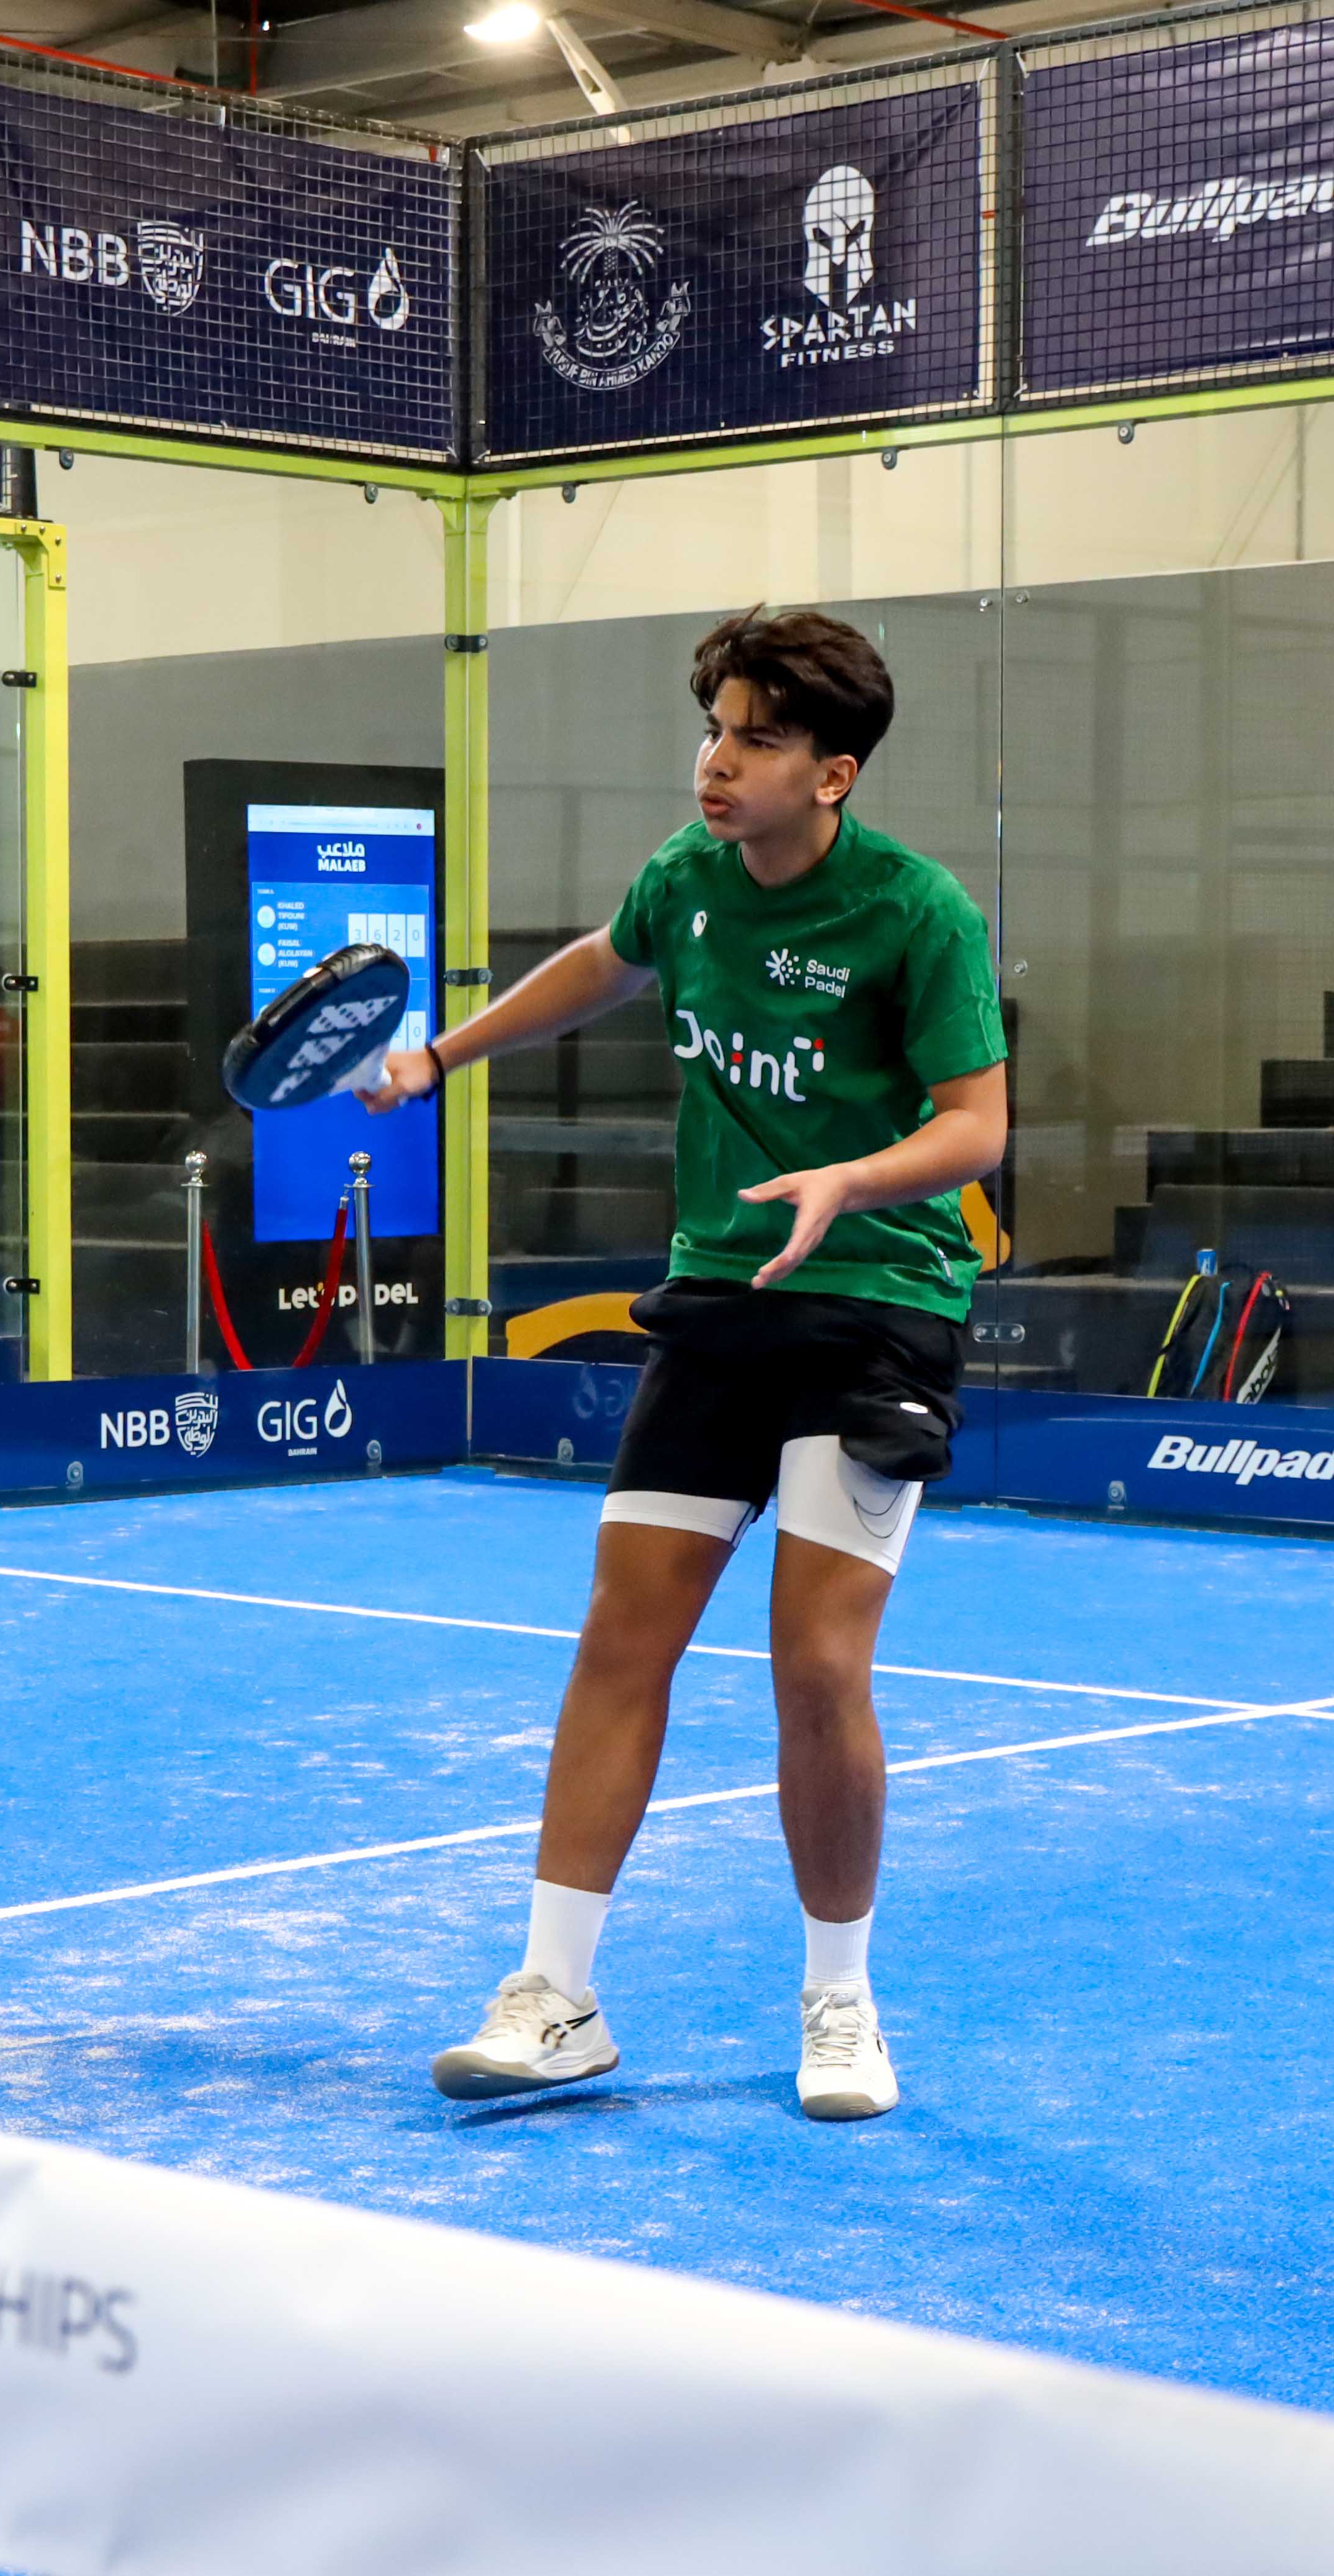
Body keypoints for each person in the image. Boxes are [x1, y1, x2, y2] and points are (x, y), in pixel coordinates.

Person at [363, 609, 1006, 2125]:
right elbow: (606, 962)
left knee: (818, 1665)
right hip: (722, 1299)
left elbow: (977, 1127)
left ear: (833, 772)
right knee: (621, 1635)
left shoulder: (919, 913)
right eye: (716, 729)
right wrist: (442, 1055)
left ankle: (840, 1999)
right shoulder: (687, 880)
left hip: (875, 1304)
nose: (719, 762)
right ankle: (556, 1998)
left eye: (758, 739)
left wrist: (853, 1178)